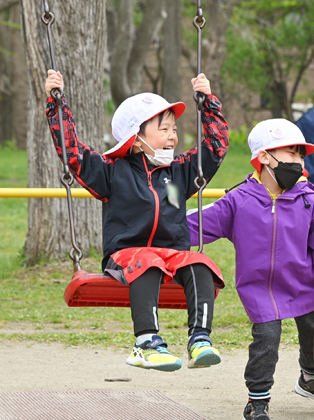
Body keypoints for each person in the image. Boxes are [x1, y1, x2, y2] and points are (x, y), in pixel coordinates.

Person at [45, 70, 229, 372]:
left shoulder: (179, 173)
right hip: (126, 256)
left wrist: (207, 103)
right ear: (137, 137)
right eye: (164, 129)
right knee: (147, 259)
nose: (173, 136)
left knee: (199, 262)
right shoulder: (112, 172)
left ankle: (200, 339)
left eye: (174, 129)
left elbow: (217, 147)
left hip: (170, 256)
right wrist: (57, 104)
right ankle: (146, 343)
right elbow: (73, 152)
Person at [187, 119, 314, 420]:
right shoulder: (239, 201)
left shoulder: (308, 200)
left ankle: (310, 377)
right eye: (291, 154)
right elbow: (197, 222)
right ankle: (257, 400)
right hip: (260, 289)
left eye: (301, 156)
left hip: (304, 283)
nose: (299, 163)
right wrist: (157, 228)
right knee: (266, 339)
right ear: (265, 156)